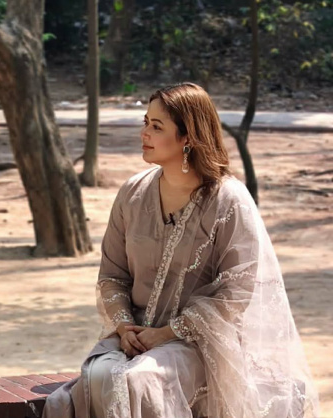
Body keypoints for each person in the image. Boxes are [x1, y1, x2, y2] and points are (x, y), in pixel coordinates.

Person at [42, 83, 319, 418]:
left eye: (157, 126)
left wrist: (168, 333)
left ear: (188, 136)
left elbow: (237, 291)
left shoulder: (228, 200)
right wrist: (125, 327)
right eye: (145, 122)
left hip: (198, 343)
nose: (144, 133)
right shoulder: (132, 193)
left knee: (137, 381)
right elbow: (112, 276)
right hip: (134, 336)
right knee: (99, 377)